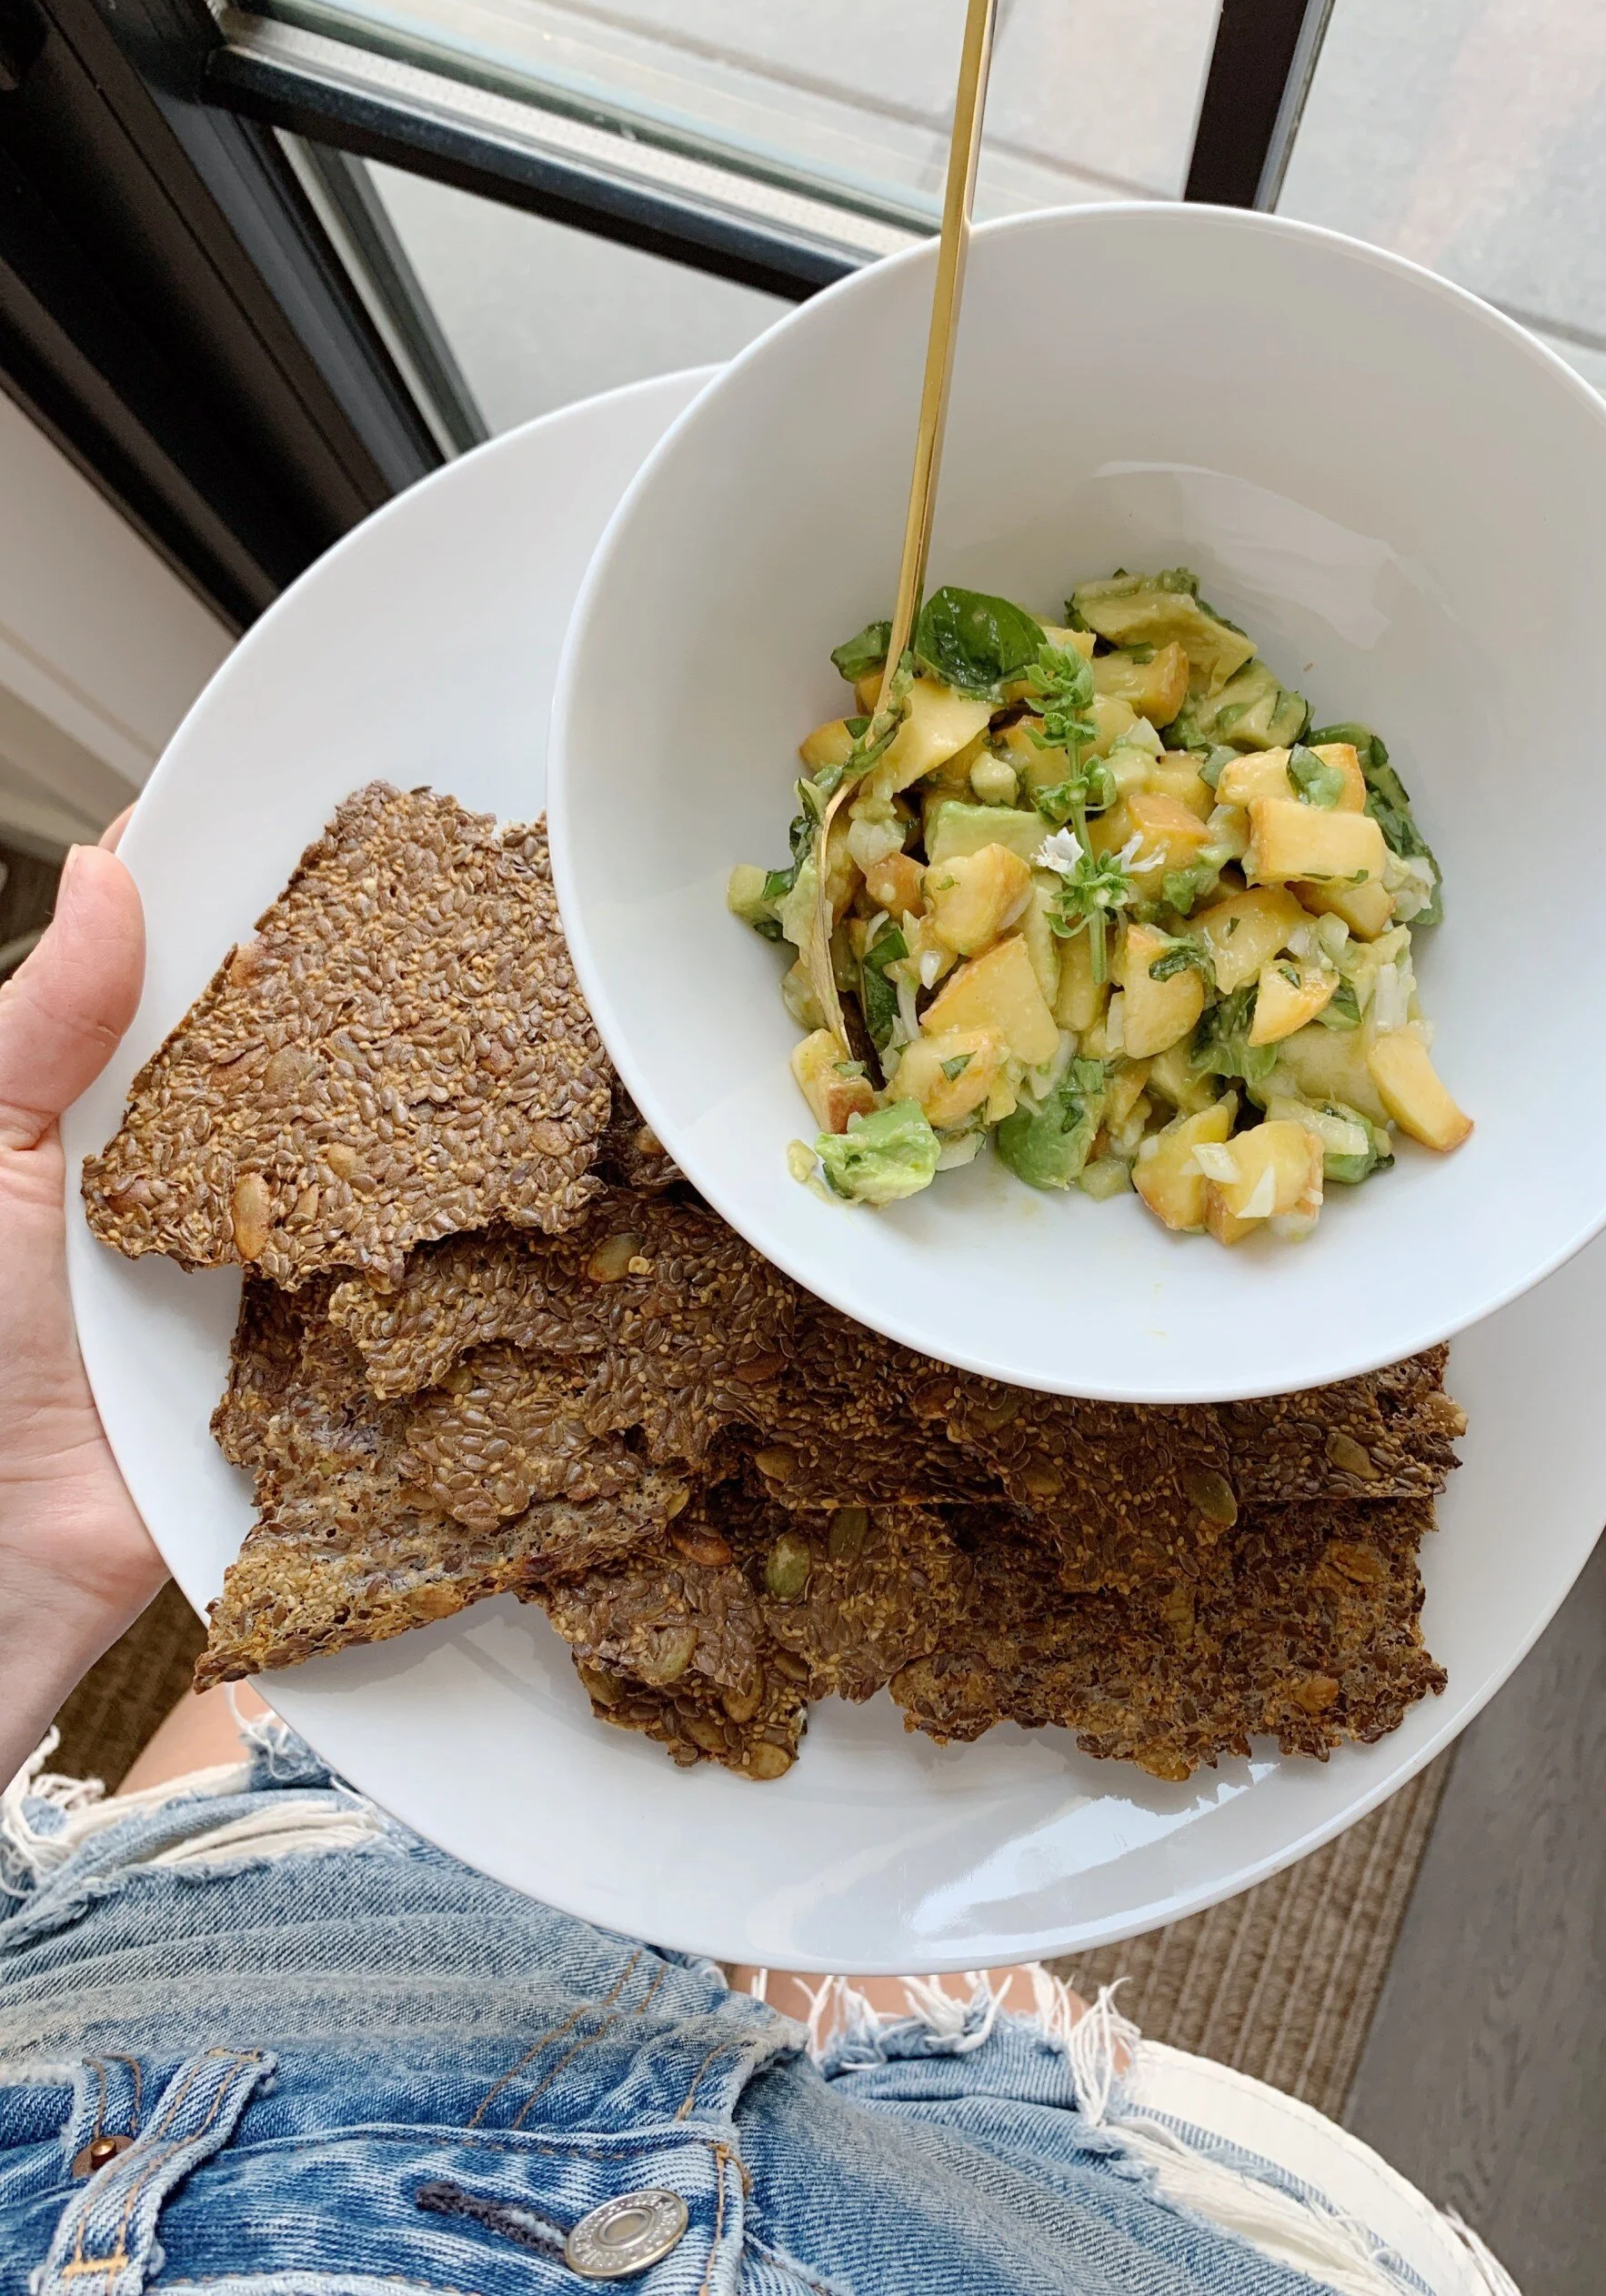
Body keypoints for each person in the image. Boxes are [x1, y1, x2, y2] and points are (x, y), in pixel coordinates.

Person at [0, 833, 1518, 2296]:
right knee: (856, 1952)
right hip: (1018, 2203)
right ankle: (856, 2000)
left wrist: (23, 1579)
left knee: (328, 1741)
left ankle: (783, 1970)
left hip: (193, 1977)